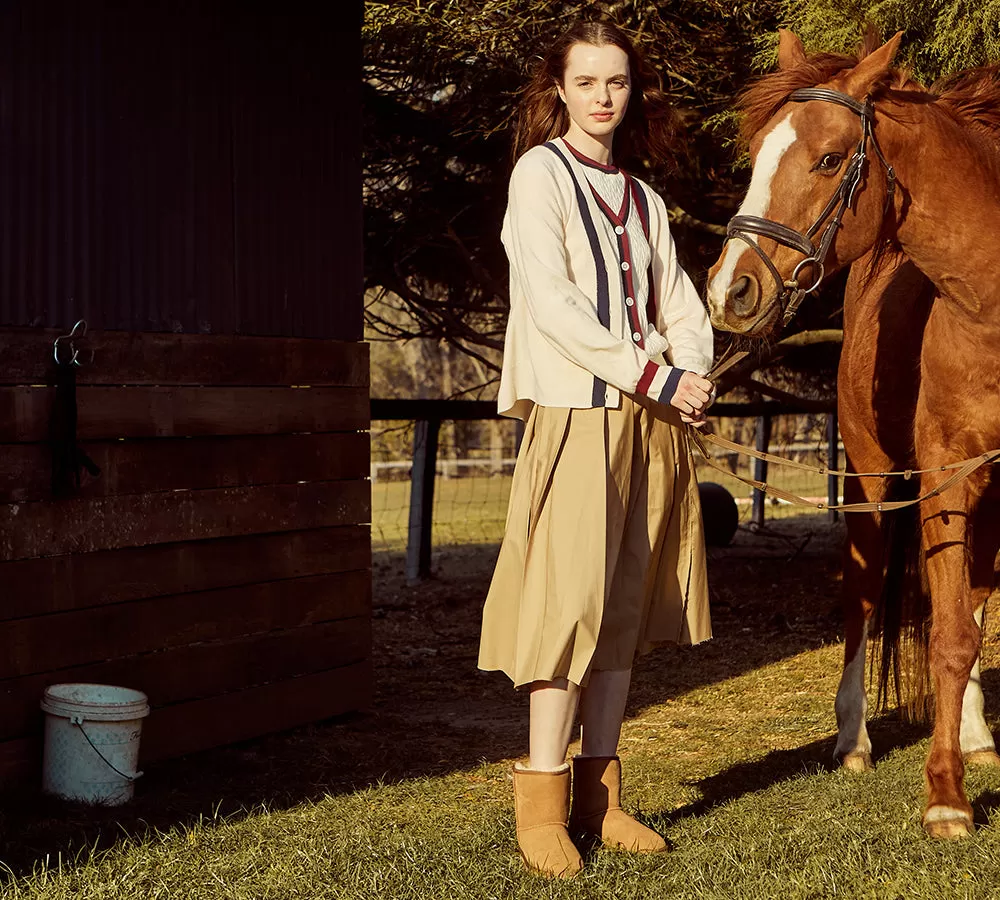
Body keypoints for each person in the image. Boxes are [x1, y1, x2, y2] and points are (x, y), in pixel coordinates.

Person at [478, 20, 715, 878]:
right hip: (581, 412)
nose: (604, 98)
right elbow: (554, 304)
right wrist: (653, 377)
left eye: (617, 82)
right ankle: (540, 801)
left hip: (650, 422)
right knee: (564, 605)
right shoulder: (539, 176)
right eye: (587, 82)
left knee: (623, 603)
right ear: (560, 90)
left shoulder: (644, 199)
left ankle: (600, 797)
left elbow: (681, 302)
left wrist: (691, 372)